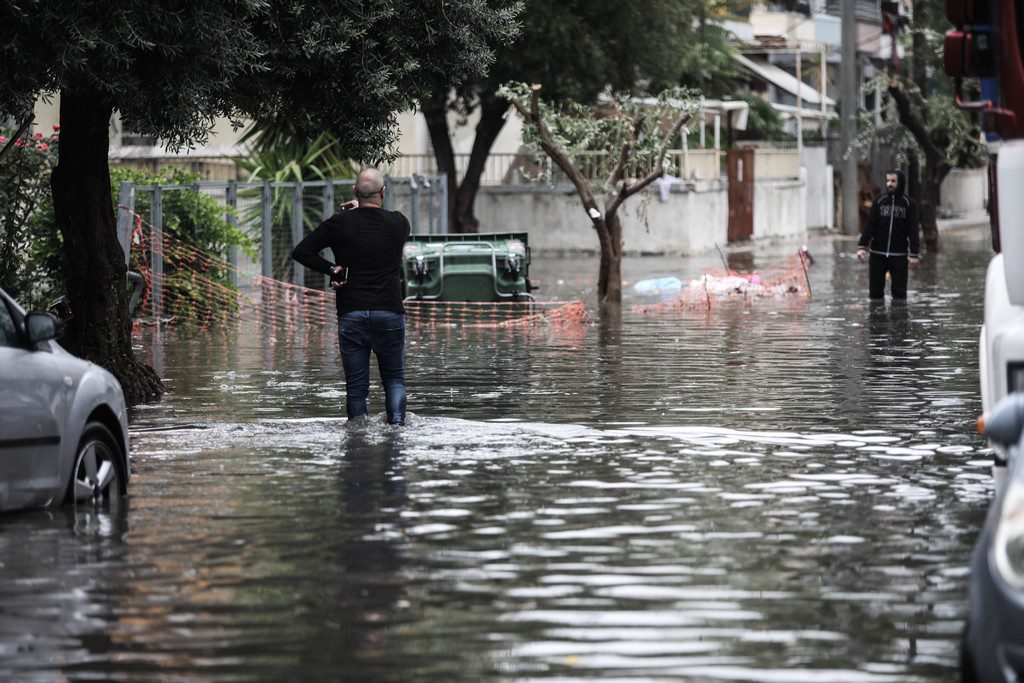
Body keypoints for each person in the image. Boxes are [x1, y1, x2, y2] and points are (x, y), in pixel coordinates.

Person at [291, 168, 411, 425]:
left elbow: (301, 251)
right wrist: (362, 207)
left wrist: (332, 269)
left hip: (352, 314)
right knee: (394, 379)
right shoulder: (399, 223)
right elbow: (375, 222)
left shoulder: (338, 224)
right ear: (384, 192)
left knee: (356, 387)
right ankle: (398, 429)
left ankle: (357, 439)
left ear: (354, 191)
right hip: (390, 313)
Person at [856, 169, 921, 300]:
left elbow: (913, 230)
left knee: (899, 295)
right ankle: (877, 319)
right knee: (875, 295)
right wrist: (862, 246)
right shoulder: (879, 201)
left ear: (900, 182)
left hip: (899, 256)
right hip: (877, 255)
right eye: (887, 180)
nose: (889, 184)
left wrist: (914, 254)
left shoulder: (909, 204)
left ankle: (899, 320)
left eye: (893, 181)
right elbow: (870, 225)